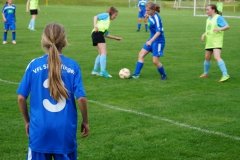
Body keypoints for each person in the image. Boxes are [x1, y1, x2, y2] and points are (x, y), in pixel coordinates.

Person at [17, 23, 89, 160]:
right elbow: (81, 98)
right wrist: (85, 121)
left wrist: (27, 122)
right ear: (65, 42)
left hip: (39, 130)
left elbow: (21, 98)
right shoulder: (73, 66)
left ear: (43, 42)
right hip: (65, 131)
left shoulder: (34, 65)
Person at [130, 2, 167, 81]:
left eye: (148, 10)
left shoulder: (157, 18)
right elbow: (149, 19)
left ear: (153, 10)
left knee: (155, 61)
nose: (146, 12)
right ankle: (136, 75)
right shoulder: (150, 15)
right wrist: (147, 16)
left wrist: (150, 41)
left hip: (159, 41)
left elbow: (159, 32)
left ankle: (164, 75)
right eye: (146, 10)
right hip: (152, 39)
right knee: (141, 54)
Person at [200, 4, 230, 82]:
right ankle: (206, 73)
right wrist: (204, 34)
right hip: (209, 41)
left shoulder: (218, 18)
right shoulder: (208, 19)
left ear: (213, 10)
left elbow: (227, 26)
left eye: (208, 9)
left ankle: (225, 75)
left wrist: (219, 29)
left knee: (217, 57)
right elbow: (208, 30)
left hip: (216, 41)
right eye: (206, 9)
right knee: (207, 58)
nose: (206, 11)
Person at [91, 6, 122, 78]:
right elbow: (96, 16)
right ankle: (103, 71)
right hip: (98, 33)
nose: (115, 16)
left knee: (100, 53)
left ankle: (95, 70)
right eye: (115, 14)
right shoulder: (106, 15)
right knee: (104, 52)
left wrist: (115, 38)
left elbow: (106, 34)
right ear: (112, 13)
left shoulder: (107, 22)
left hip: (96, 34)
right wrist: (95, 25)